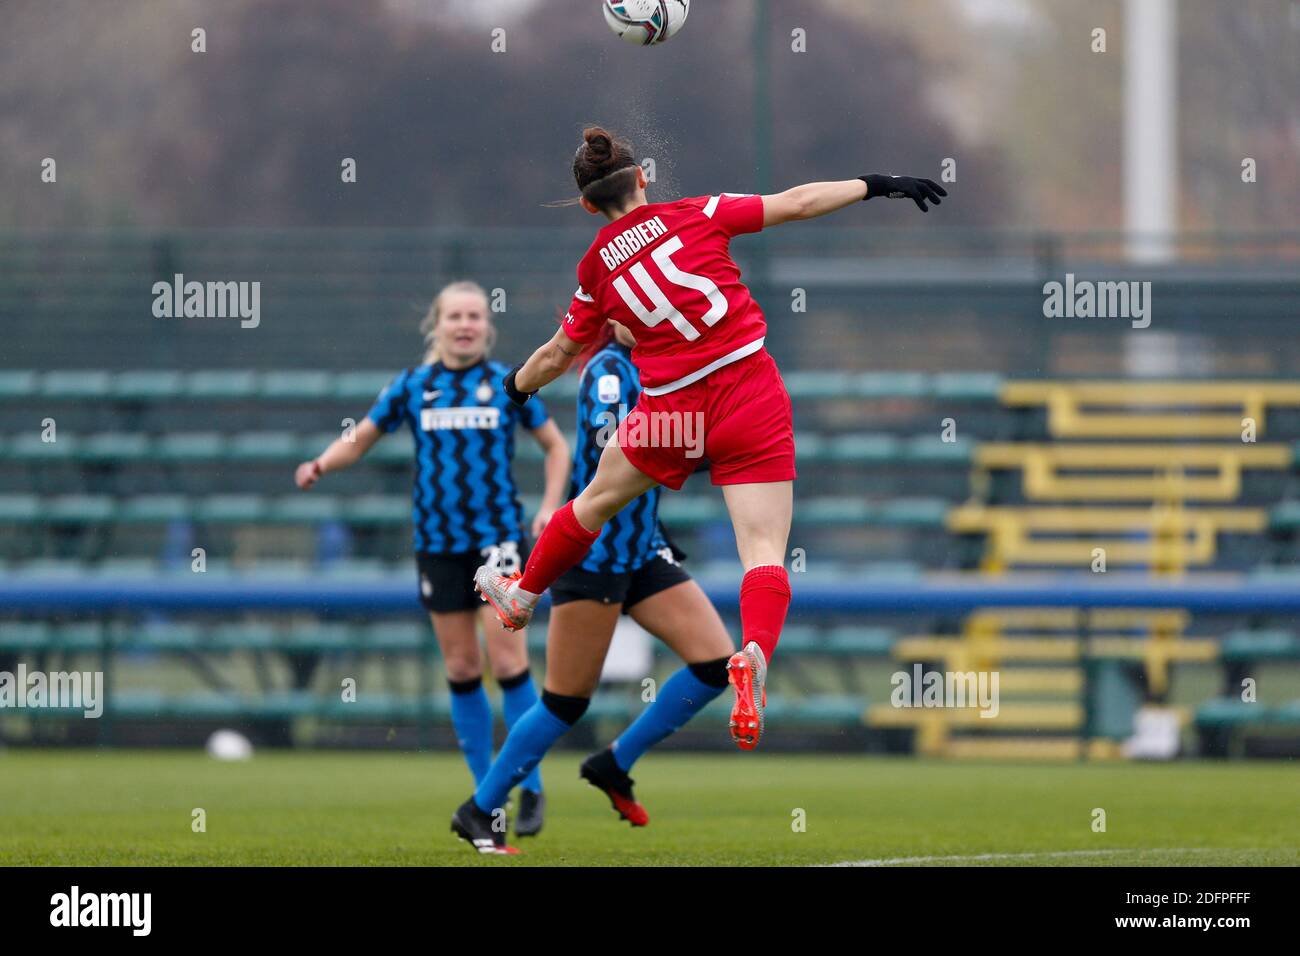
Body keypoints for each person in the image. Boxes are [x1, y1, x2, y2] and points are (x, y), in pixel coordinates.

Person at [459, 126, 945, 850]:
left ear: (591, 208)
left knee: (591, 500)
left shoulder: (596, 267)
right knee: (762, 551)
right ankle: (756, 654)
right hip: (749, 392)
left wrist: (514, 384)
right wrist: (878, 184)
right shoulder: (697, 214)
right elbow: (799, 202)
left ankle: (523, 592)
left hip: (673, 411)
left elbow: (560, 352)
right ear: (643, 178)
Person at [295, 280, 570, 839]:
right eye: (455, 316)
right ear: (437, 325)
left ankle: (531, 783)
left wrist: (547, 507)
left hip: (497, 544)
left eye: (474, 316)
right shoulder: (413, 386)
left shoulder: (509, 382)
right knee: (463, 668)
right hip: (438, 545)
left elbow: (556, 446)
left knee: (510, 662)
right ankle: (487, 801)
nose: (465, 324)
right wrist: (322, 464)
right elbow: (362, 437)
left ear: (486, 327)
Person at [451, 318, 734, 853]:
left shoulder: (665, 369)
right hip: (595, 551)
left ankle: (613, 762)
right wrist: (711, 445)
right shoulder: (608, 372)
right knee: (565, 701)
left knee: (715, 665)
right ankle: (479, 808)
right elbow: (629, 454)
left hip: (640, 550)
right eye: (622, 307)